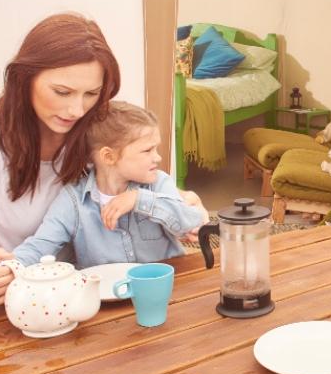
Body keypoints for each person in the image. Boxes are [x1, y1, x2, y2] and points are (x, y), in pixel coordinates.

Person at [0, 13, 205, 307]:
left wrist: (184, 200)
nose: (76, 110)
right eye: (62, 92)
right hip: (4, 302)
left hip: (81, 303)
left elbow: (132, 182)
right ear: (24, 78)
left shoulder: (95, 133)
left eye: (91, 93)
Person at [12, 102, 206, 267]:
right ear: (109, 156)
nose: (157, 157)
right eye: (147, 150)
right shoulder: (73, 201)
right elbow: (42, 243)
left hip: (166, 288)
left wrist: (139, 200)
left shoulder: (157, 183)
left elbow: (190, 222)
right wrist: (10, 267)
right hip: (106, 299)